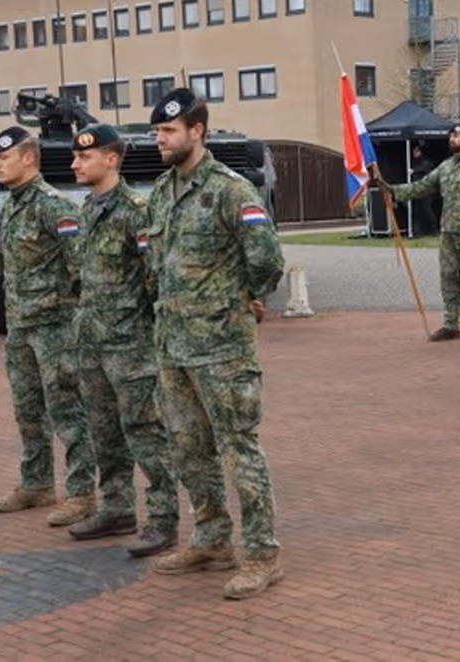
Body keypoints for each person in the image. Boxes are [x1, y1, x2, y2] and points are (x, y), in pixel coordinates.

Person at [145, 89, 286, 599]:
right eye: (157, 131)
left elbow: (266, 260)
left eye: (168, 131)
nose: (159, 139)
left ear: (197, 131)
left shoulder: (231, 191)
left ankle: (263, 554)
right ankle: (210, 537)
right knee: (188, 449)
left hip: (223, 349)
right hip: (173, 349)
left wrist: (240, 299)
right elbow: (155, 267)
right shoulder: (162, 192)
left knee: (237, 450)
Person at [66, 124, 179, 557]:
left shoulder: (137, 210)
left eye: (84, 157)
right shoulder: (85, 211)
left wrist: (152, 340)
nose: (75, 163)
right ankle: (116, 508)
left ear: (111, 160)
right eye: (75, 157)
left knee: (147, 435)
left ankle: (163, 520)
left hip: (131, 348)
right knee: (103, 433)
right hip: (92, 344)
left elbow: (156, 280)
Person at [0, 126, 97, 526]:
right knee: (27, 411)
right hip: (21, 327)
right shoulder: (12, 205)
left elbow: (81, 266)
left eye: (4, 156)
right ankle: (36, 484)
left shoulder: (56, 206)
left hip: (55, 327)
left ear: (29, 158)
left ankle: (82, 493)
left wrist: (70, 314)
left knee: (68, 411)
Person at [384, 123, 460, 344]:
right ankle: (450, 325)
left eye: (458, 135)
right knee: (448, 280)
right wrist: (394, 191)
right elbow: (423, 186)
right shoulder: (446, 167)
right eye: (451, 135)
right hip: (448, 233)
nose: (453, 138)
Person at [410, 143, 438, 236]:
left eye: (415, 151)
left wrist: (414, 171)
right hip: (417, 188)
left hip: (426, 189)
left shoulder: (426, 161)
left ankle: (434, 230)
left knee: (427, 210)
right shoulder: (415, 161)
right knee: (417, 210)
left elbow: (426, 169)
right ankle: (418, 231)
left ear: (419, 151)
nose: (414, 153)